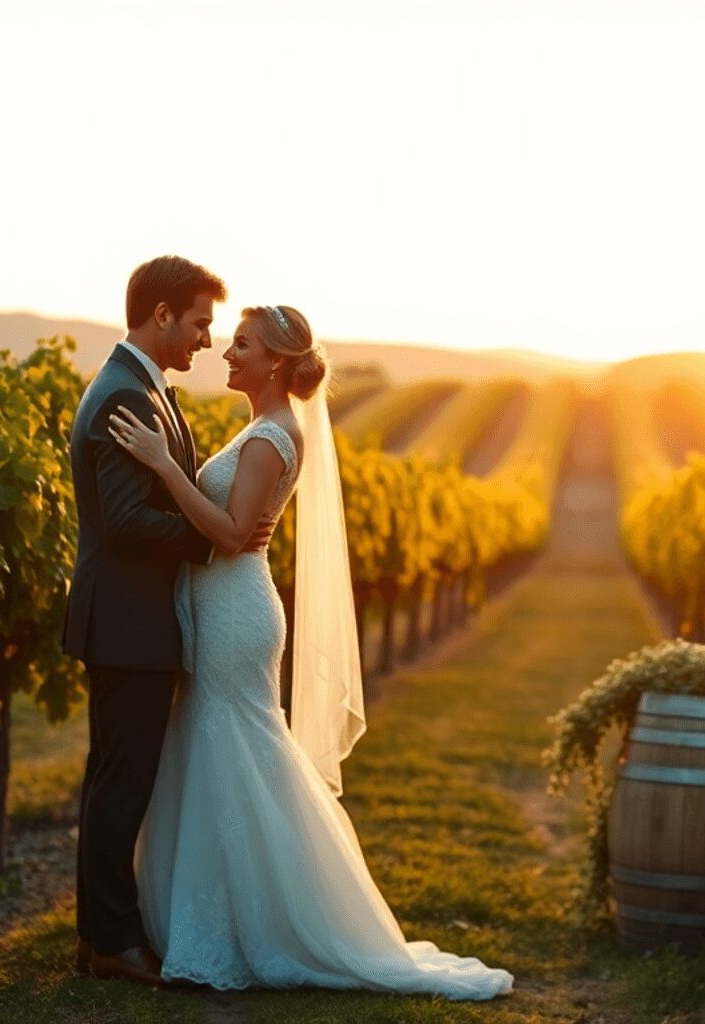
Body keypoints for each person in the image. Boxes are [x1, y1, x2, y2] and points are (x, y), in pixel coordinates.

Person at [106, 304, 514, 1000]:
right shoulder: (265, 430)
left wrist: (165, 469)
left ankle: (267, 924)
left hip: (237, 613)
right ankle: (225, 917)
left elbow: (233, 537)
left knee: (236, 749)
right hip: (227, 607)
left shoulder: (271, 438)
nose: (227, 354)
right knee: (222, 751)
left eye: (242, 346)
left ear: (275, 364)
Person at [62, 255, 271, 986]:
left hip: (131, 621)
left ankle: (98, 937)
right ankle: (115, 942)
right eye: (200, 323)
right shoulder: (125, 395)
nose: (207, 341)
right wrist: (221, 539)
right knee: (123, 784)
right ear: (161, 316)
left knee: (114, 780)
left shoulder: (144, 388)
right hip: (128, 623)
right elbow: (124, 521)